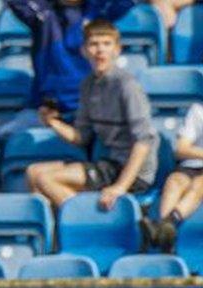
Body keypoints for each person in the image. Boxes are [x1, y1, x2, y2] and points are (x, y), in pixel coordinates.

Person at [26, 20, 158, 211]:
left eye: (106, 44)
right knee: (33, 172)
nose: (100, 50)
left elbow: (144, 141)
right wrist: (52, 122)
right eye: (94, 44)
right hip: (109, 164)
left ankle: (90, 222)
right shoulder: (87, 85)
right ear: (84, 50)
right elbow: (81, 137)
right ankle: (61, 230)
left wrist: (120, 187)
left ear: (117, 50)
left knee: (46, 179)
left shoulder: (126, 86)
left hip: (131, 171)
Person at [0, 0, 135, 140]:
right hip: (45, 109)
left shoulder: (98, 12)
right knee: (6, 137)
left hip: (89, 111)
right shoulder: (43, 14)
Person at [141, 103, 203, 253]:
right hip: (191, 165)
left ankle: (164, 226)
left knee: (199, 185)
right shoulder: (198, 110)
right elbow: (181, 149)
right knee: (174, 181)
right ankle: (166, 234)